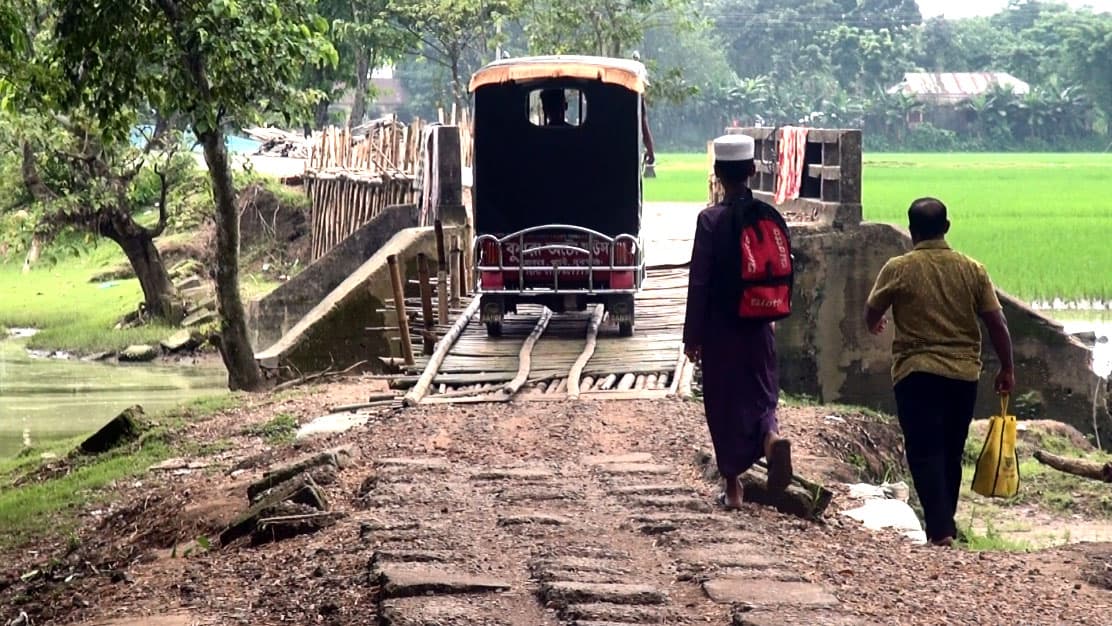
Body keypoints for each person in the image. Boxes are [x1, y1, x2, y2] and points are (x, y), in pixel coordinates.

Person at [865, 197, 1015, 547]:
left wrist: (876, 323)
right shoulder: (972, 269)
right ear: (946, 228)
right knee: (950, 448)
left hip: (916, 373)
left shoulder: (898, 268)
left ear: (911, 231)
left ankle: (941, 530)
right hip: (963, 376)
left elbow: (872, 311)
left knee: (924, 450)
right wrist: (1007, 367)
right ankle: (944, 525)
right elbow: (997, 322)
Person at [683, 134, 793, 510]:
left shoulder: (710, 220)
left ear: (717, 173)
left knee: (724, 402)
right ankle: (770, 439)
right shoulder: (770, 216)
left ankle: (733, 487)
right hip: (761, 323)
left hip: (721, 330)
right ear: (752, 170)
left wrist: (692, 337)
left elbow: (699, 281)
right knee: (762, 394)